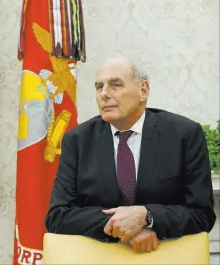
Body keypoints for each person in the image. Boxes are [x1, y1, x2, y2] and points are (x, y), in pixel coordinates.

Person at [45, 56, 216, 253]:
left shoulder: (184, 135)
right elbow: (57, 216)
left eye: (115, 85)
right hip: (99, 257)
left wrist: (147, 216)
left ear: (143, 90)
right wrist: (124, 226)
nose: (104, 94)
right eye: (99, 87)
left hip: (164, 256)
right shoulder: (77, 140)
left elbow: (202, 214)